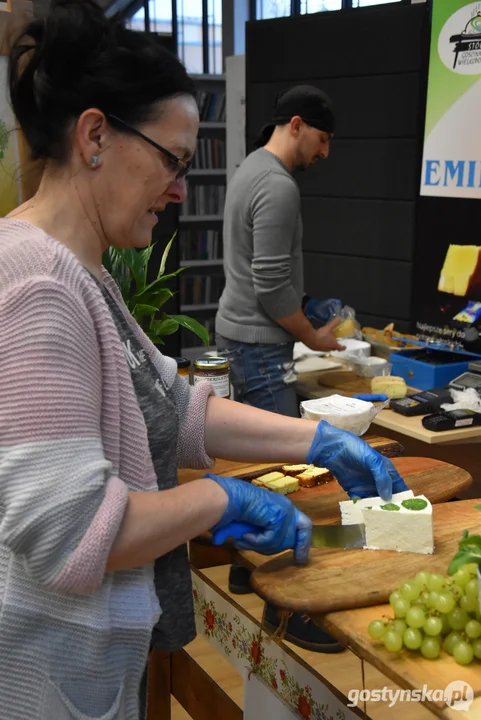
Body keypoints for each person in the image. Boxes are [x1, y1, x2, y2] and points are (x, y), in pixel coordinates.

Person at [0, 3, 408, 718]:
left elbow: (175, 407)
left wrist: (317, 439)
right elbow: (69, 537)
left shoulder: (82, 271)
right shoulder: (38, 284)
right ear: (95, 135)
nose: (181, 190)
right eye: (172, 160)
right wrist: (218, 498)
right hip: (47, 673)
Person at [216, 84, 344, 418]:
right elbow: (271, 285)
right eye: (324, 138)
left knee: (253, 452)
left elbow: (254, 266)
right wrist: (313, 338)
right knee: (281, 460)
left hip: (239, 337)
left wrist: (303, 305)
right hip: (260, 348)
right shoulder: (277, 184)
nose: (326, 152)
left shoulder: (250, 167)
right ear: (297, 125)